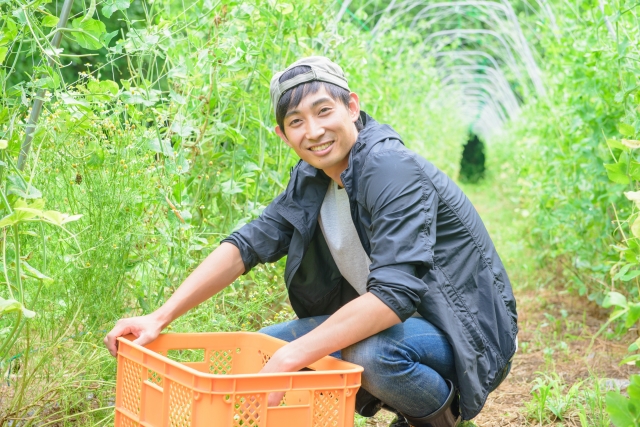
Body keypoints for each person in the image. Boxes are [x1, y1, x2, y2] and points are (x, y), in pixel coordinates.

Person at [104, 56, 518, 427]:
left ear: (352, 108)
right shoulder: (311, 178)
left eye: (324, 111)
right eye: (296, 121)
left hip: (469, 331)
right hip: (405, 324)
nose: (314, 131)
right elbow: (248, 244)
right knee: (265, 349)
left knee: (369, 355)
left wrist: (292, 357)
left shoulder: (390, 169)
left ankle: (439, 421)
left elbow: (394, 294)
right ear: (284, 135)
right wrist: (160, 317)